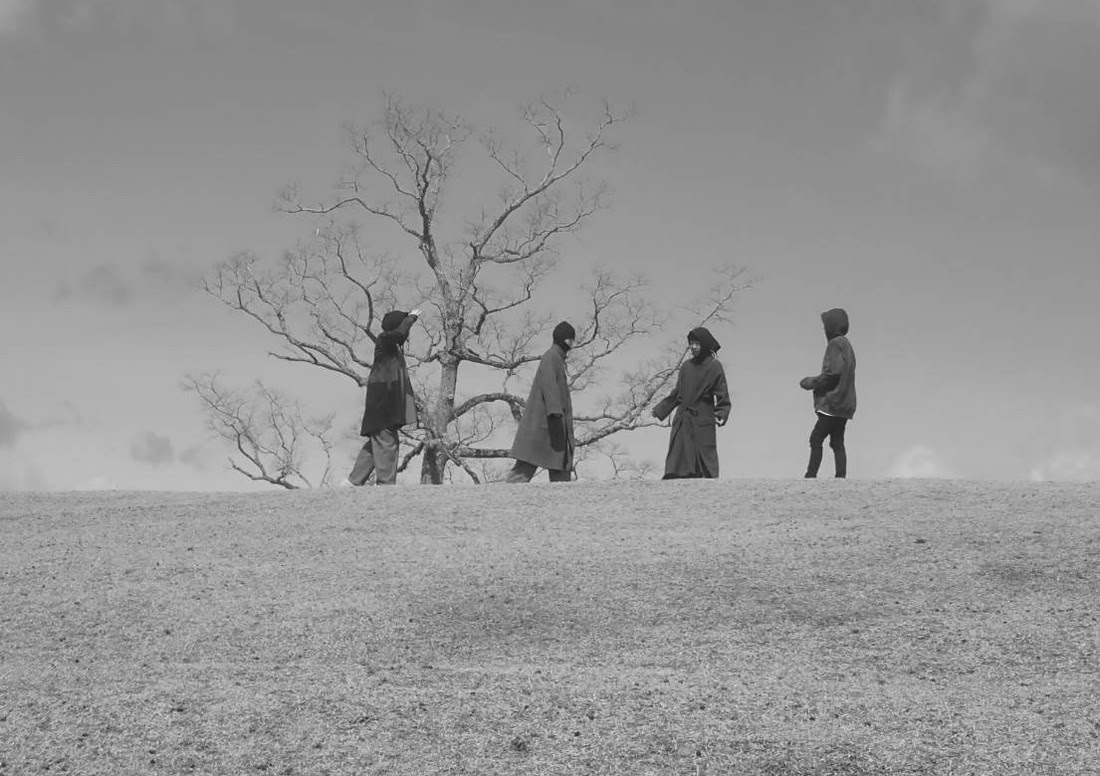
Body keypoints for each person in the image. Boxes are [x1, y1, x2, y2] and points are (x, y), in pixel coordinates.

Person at [348, 308, 421, 485]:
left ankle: (352, 482)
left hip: (381, 404)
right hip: (382, 404)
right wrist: (410, 318)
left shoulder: (392, 348)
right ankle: (386, 486)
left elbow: (400, 336)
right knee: (387, 442)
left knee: (377, 443)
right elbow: (400, 334)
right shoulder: (385, 339)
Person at [651, 327, 731, 479]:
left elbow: (723, 395)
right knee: (678, 458)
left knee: (704, 461)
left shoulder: (715, 366)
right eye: (691, 343)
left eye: (697, 344)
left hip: (703, 418)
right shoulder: (686, 367)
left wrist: (721, 413)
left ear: (705, 344)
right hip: (683, 418)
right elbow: (677, 393)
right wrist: (660, 409)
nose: (693, 347)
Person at [505, 321, 576, 483]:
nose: (572, 344)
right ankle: (501, 496)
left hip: (554, 427)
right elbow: (549, 385)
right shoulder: (550, 357)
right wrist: (555, 411)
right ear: (565, 340)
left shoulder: (557, 358)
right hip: (544, 426)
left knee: (561, 468)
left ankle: (564, 499)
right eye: (571, 340)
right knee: (523, 470)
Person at [799, 307, 857, 478]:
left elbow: (833, 374)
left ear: (832, 327)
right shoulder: (847, 345)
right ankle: (840, 477)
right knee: (837, 441)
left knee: (816, 439)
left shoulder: (835, 344)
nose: (824, 329)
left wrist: (811, 382)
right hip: (845, 404)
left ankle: (811, 475)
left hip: (832, 403)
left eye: (826, 326)